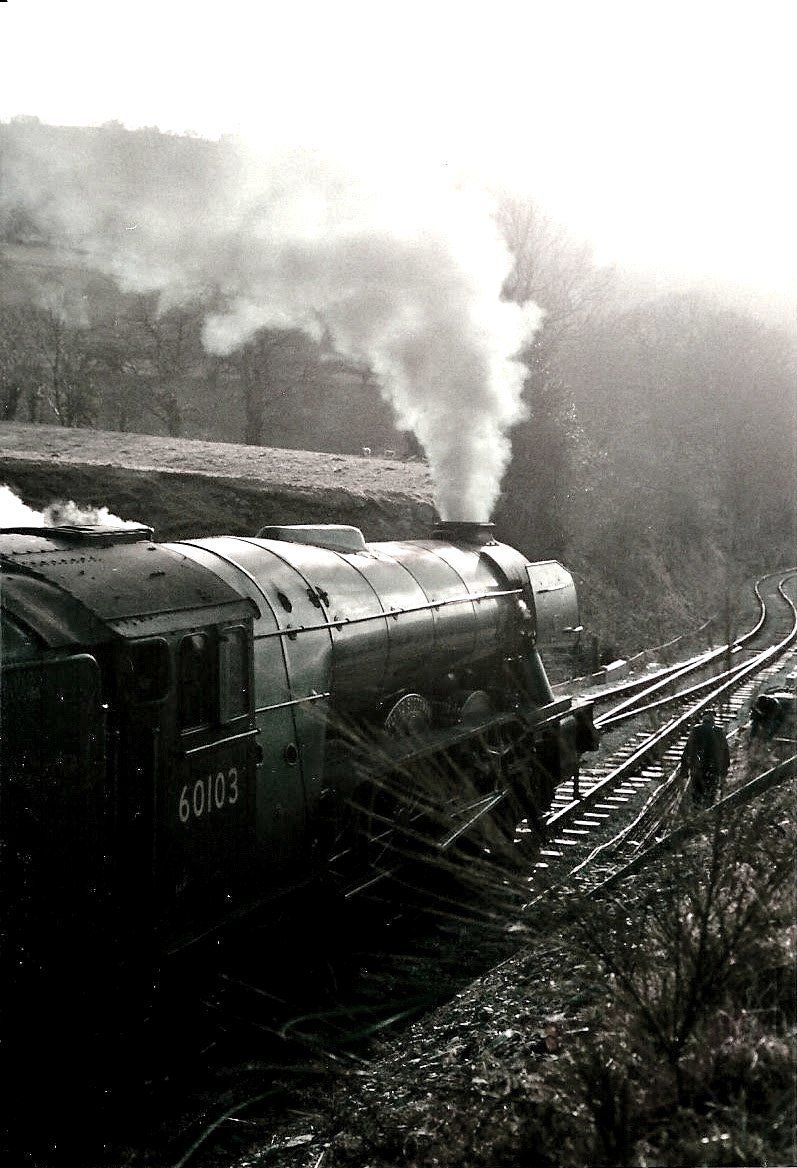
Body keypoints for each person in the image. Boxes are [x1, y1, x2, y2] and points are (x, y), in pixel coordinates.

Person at [680, 710, 730, 807]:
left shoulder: (696, 730)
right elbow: (725, 752)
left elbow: (687, 751)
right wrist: (724, 772)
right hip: (713, 768)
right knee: (711, 794)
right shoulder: (718, 731)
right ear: (713, 720)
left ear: (703, 719)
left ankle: (696, 812)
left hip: (698, 768)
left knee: (697, 795)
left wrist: (684, 769)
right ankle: (707, 813)